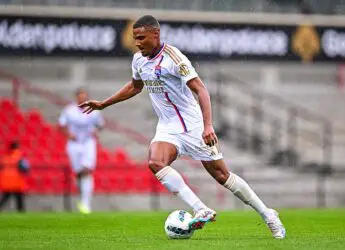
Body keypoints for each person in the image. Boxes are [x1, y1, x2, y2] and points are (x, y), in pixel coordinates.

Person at [79, 15, 286, 238]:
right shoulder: (138, 60)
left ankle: (268, 215)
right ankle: (200, 208)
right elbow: (135, 87)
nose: (137, 43)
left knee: (222, 176)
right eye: (134, 38)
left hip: (193, 125)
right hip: (167, 127)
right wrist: (103, 104)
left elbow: (202, 90)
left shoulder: (174, 58)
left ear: (155, 34)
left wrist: (208, 126)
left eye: (141, 38)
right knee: (155, 162)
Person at [59, 87, 104, 214]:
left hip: (88, 143)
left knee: (87, 170)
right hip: (74, 144)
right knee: (79, 173)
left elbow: (100, 124)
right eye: (80, 96)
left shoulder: (93, 110)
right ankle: (83, 196)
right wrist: (68, 134)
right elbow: (61, 125)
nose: (82, 99)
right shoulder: (69, 110)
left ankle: (86, 204)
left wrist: (96, 131)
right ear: (76, 97)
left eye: (84, 96)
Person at [0, 141, 30, 212]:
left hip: (6, 182)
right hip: (16, 182)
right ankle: (21, 214)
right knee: (19, 200)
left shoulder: (4, 158)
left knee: (4, 199)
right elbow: (25, 169)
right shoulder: (20, 158)